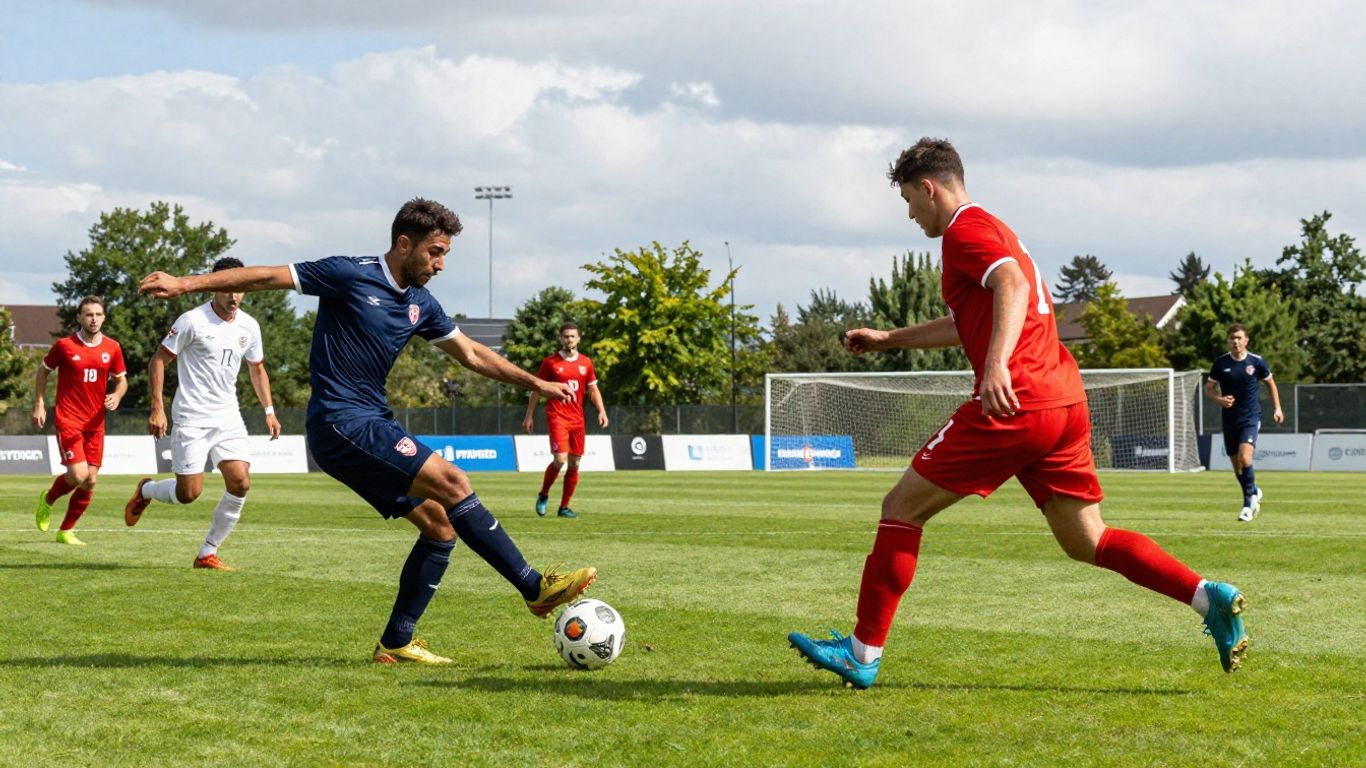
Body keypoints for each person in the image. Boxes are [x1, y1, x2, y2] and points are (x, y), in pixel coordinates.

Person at [787, 138, 1249, 689]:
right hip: (1062, 400)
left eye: (909, 200)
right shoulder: (994, 230)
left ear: (928, 188)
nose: (910, 215)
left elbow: (1011, 284)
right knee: (1087, 541)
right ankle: (1207, 598)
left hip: (1016, 400)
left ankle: (862, 653)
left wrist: (998, 364)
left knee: (900, 508)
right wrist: (890, 338)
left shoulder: (965, 229)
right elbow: (973, 315)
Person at [140, 198, 596, 665]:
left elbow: (473, 354)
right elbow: (264, 277)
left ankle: (396, 640)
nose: (440, 264)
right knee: (455, 482)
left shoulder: (421, 303)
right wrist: (186, 283)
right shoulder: (349, 273)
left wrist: (535, 381)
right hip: (341, 422)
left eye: (445, 255)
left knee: (440, 528)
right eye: (434, 252)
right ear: (404, 243)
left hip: (371, 422)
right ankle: (533, 587)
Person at [123, 257, 283, 570]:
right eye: (228, 287)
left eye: (241, 289)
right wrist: (157, 407)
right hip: (192, 418)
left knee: (240, 483)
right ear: (214, 284)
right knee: (188, 494)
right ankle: (147, 490)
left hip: (228, 418)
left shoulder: (249, 326)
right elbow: (157, 361)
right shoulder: (192, 321)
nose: (234, 295)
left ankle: (206, 552)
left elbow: (257, 369)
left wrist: (269, 410)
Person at [32, 295, 128, 545]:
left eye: (97, 314)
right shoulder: (65, 346)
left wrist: (117, 395)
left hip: (95, 424)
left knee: (91, 480)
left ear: (104, 317)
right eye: (88, 314)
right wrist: (39, 403)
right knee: (78, 475)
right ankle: (48, 500)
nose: (93, 319)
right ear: (79, 317)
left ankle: (66, 530)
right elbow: (43, 371)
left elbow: (121, 380)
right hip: (69, 419)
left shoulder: (112, 348)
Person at [521, 322, 609, 518]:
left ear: (578, 339)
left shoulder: (586, 363)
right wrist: (529, 415)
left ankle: (564, 507)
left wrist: (601, 411)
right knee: (560, 459)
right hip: (557, 415)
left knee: (575, 464)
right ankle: (544, 494)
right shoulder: (550, 363)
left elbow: (593, 389)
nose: (569, 339)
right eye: (566, 336)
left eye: (572, 336)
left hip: (577, 418)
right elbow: (537, 389)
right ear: (560, 339)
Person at [1205, 324, 1283, 522]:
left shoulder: (1256, 362)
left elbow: (1271, 383)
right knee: (1237, 467)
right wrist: (1219, 399)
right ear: (1228, 341)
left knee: (1246, 458)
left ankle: (1248, 505)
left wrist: (1277, 408)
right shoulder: (1221, 363)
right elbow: (1210, 389)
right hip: (1229, 419)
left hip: (1250, 417)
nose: (1236, 342)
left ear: (1246, 340)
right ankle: (1254, 490)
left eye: (1239, 338)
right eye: (1232, 338)